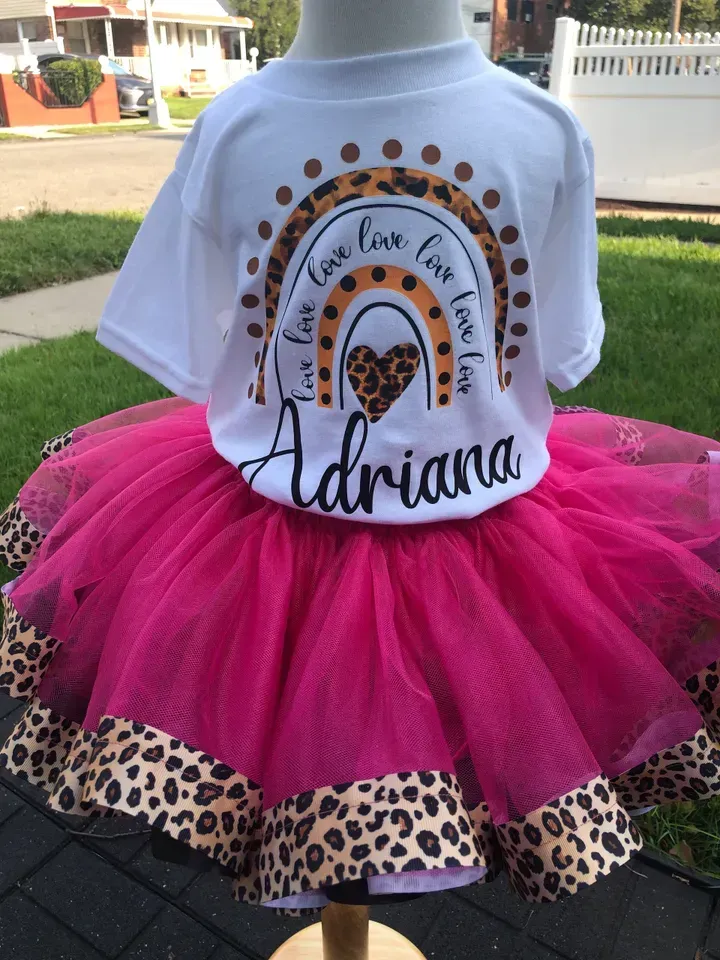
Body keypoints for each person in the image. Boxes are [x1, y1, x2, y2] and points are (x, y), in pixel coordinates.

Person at [1, 0, 719, 915]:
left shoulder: (541, 131)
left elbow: (192, 341)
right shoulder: (238, 127)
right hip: (263, 547)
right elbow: (568, 352)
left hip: (489, 542)